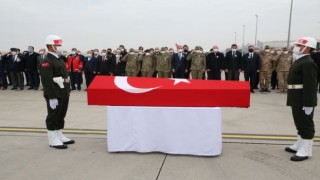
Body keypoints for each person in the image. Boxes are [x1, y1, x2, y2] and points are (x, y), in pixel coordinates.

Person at [285, 37, 318, 161]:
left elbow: (311, 85)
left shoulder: (308, 62)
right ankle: (299, 144)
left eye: (299, 45)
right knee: (299, 121)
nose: (296, 47)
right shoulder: (300, 60)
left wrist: (309, 103)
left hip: (303, 97)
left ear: (307, 48)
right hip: (296, 96)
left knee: (306, 123)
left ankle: (306, 150)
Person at [40, 34, 75, 149]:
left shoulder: (57, 58)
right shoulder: (47, 60)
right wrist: (52, 97)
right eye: (58, 45)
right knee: (53, 115)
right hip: (54, 92)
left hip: (63, 91)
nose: (60, 47)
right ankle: (52, 139)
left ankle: (59, 134)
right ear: (51, 46)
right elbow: (47, 81)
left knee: (61, 114)